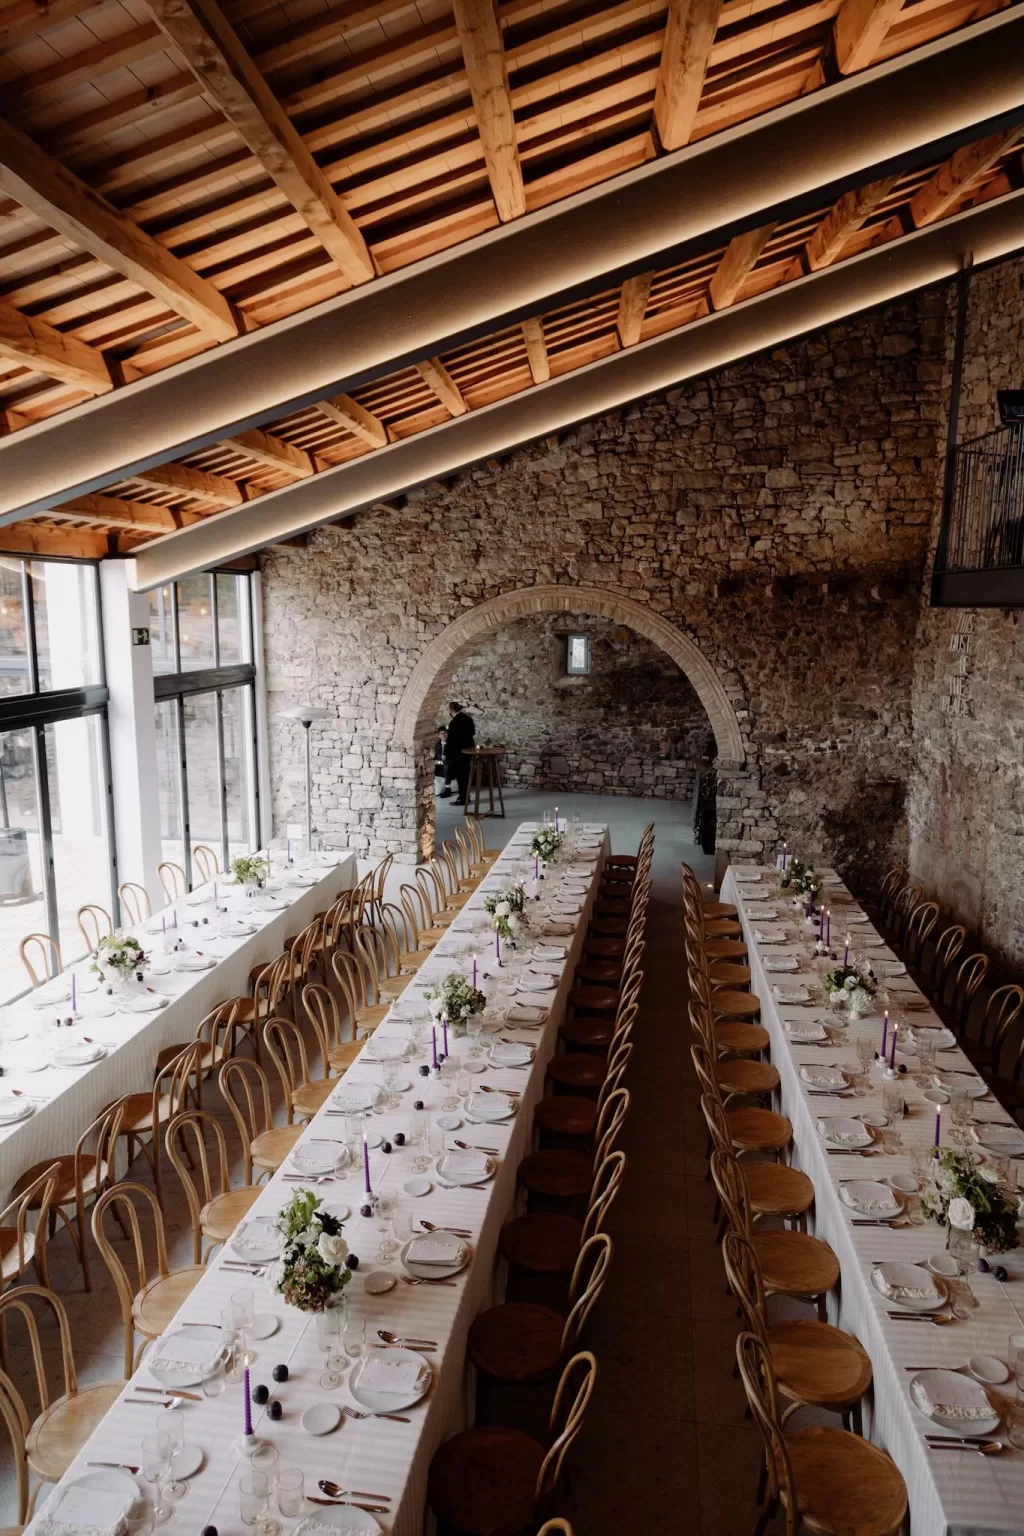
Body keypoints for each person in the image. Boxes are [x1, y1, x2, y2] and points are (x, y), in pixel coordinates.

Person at [443, 701, 475, 806]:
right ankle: (466, 796)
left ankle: (463, 799)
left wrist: (445, 753)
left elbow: (451, 741)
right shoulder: (468, 719)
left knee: (460, 777)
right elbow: (472, 733)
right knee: (466, 775)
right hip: (469, 750)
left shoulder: (454, 723)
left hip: (458, 753)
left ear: (451, 711)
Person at [435, 726, 453, 797]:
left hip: (450, 769)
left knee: (447, 764)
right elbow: (432, 760)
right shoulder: (436, 745)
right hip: (438, 769)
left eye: (445, 733)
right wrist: (440, 762)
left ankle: (448, 790)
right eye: (441, 733)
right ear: (439, 735)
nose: (443, 735)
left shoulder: (452, 744)